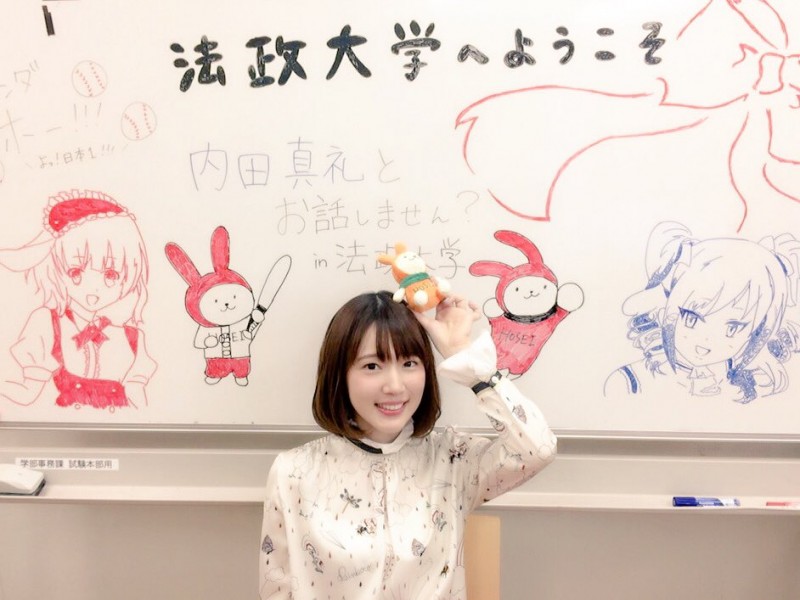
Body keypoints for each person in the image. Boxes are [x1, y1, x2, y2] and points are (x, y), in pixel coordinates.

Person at [259, 290, 557, 599]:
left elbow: (537, 448)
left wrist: (465, 358)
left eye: (409, 363)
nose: (395, 386)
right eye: (372, 366)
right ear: (340, 374)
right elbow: (276, 590)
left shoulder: (453, 460)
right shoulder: (294, 472)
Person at [604, 221, 800, 403]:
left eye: (732, 329)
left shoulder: (750, 386)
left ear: (755, 331)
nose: (705, 344)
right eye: (691, 319)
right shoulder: (629, 383)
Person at [0, 189, 156, 410]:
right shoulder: (48, 324)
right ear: (56, 268)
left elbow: (141, 407)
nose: (93, 288)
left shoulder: (132, 339)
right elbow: (26, 394)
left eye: (111, 275)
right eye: (75, 272)